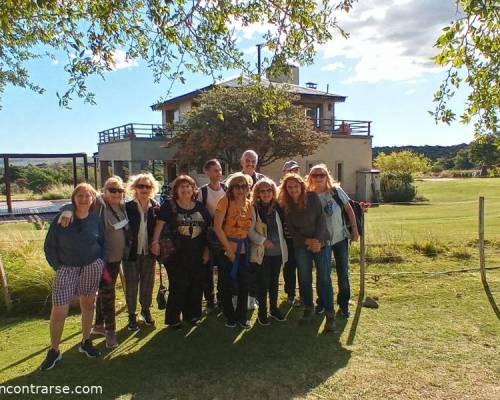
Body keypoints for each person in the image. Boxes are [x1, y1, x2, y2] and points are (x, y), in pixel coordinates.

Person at [57, 176, 128, 348]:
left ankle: (98, 326)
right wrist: (67, 209)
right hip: (102, 260)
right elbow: (76, 203)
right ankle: (111, 332)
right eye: (112, 190)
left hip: (117, 259)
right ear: (104, 190)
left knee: (105, 294)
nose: (117, 193)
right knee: (108, 294)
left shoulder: (122, 207)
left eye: (120, 190)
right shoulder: (97, 204)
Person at [41, 183, 104, 371]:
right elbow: (49, 246)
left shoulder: (95, 219)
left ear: (93, 199)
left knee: (88, 304)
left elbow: (102, 242)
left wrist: (101, 261)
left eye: (87, 196)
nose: (84, 199)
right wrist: (58, 267)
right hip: (66, 269)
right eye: (80, 196)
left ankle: (86, 341)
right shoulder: (62, 219)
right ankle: (54, 350)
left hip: (91, 267)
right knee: (59, 310)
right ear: (73, 198)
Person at [151, 175, 211, 329]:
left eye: (188, 186)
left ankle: (192, 315)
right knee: (179, 285)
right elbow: (159, 225)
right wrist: (155, 242)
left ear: (193, 189)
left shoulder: (200, 207)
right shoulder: (169, 206)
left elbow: (207, 232)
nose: (185, 189)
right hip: (175, 254)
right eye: (182, 186)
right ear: (176, 190)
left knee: (195, 285)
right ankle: (173, 319)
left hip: (197, 253)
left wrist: (206, 252)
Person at [278, 173, 333, 331]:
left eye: (296, 186)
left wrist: (317, 241)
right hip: (302, 244)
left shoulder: (312, 197)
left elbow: (321, 220)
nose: (293, 189)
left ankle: (330, 314)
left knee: (324, 278)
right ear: (285, 189)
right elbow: (292, 230)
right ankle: (308, 309)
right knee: (304, 278)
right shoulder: (286, 205)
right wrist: (307, 241)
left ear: (301, 186)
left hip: (321, 241)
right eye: (289, 187)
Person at [306, 164, 359, 318]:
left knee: (343, 272)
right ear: (310, 178)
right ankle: (322, 303)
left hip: (340, 238)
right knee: (323, 274)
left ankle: (343, 305)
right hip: (322, 241)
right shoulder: (309, 195)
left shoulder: (336, 191)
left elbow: (349, 209)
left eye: (321, 175)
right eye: (315, 175)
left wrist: (354, 230)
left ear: (327, 176)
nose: (318, 178)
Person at [213, 173, 253, 328]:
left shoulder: (249, 204)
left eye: (244, 186)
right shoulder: (225, 202)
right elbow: (217, 227)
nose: (240, 189)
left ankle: (241, 317)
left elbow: (248, 228)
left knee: (244, 284)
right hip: (226, 250)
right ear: (231, 188)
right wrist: (228, 249)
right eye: (237, 186)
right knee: (226, 285)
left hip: (243, 250)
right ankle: (230, 316)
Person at [248, 178, 288, 326]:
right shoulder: (254, 208)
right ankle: (262, 312)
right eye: (262, 191)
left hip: (278, 252)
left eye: (268, 190)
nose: (265, 194)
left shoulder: (279, 207)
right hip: (262, 252)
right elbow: (249, 231)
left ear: (273, 191)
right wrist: (262, 241)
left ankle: (274, 308)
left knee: (274, 282)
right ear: (257, 193)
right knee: (263, 283)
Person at [123, 173, 160, 331]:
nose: (144, 189)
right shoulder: (127, 207)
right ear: (134, 188)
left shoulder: (156, 208)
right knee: (131, 284)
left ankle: (145, 310)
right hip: (131, 252)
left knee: (147, 283)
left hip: (148, 252)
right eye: (141, 186)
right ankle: (132, 315)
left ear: (152, 189)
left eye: (148, 186)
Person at [197, 159, 227, 311]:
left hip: (223, 236)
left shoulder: (226, 189)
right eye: (215, 170)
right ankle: (210, 300)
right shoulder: (202, 192)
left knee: (223, 269)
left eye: (220, 169)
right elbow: (200, 215)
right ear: (207, 172)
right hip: (207, 237)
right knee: (207, 271)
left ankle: (222, 299)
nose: (219, 173)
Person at [240, 149, 266, 309]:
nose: (250, 163)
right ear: (242, 162)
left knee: (256, 263)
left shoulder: (262, 180)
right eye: (247, 160)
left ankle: (253, 296)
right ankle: (239, 296)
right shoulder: (235, 179)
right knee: (242, 265)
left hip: (258, 227)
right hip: (240, 229)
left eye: (253, 161)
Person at [281, 160, 301, 306]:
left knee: (304, 267)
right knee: (289, 267)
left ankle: (305, 294)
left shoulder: (305, 190)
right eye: (289, 170)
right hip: (287, 238)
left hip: (303, 238)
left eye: (295, 170)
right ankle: (290, 294)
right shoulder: (280, 192)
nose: (293, 172)